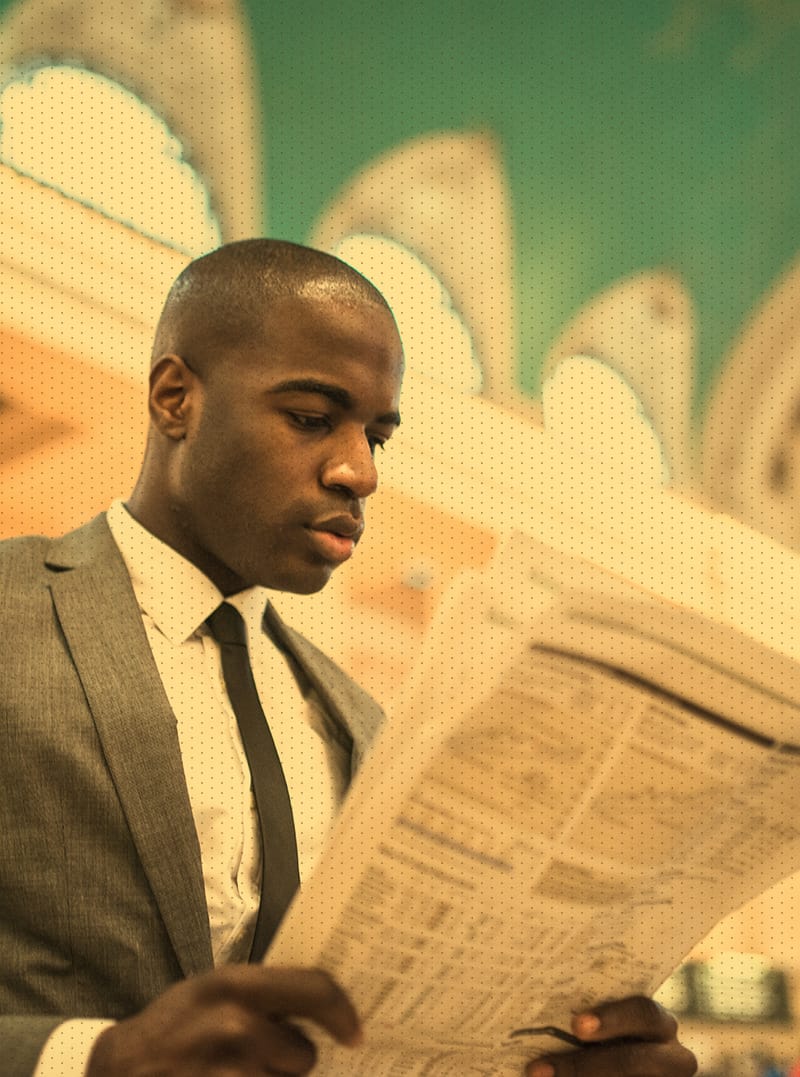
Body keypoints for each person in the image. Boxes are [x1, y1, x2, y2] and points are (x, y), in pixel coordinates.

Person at [0, 239, 697, 1076]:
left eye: (379, 435)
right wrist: (93, 1059)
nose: (359, 471)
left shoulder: (366, 725)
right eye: (310, 418)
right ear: (175, 397)